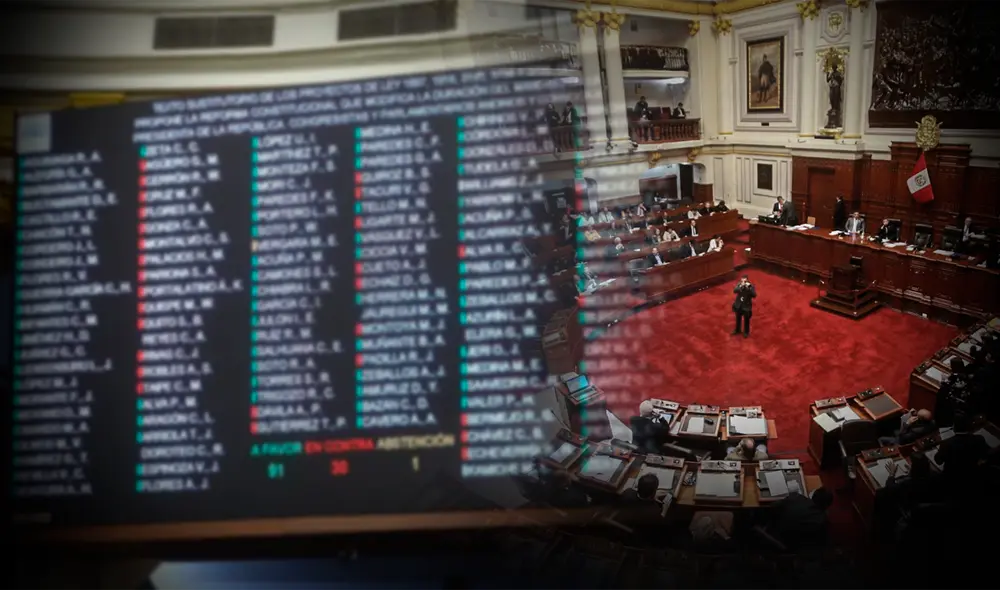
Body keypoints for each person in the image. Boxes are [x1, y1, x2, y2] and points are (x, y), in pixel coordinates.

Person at [765, 487, 834, 549]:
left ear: (814, 494)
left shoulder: (796, 498)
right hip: (796, 548)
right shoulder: (823, 521)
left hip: (773, 535)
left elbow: (772, 507)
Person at [933, 413, 989, 480]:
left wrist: (940, 450)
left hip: (951, 476)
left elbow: (938, 461)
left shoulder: (946, 444)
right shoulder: (980, 439)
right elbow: (984, 457)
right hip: (972, 474)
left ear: (954, 427)